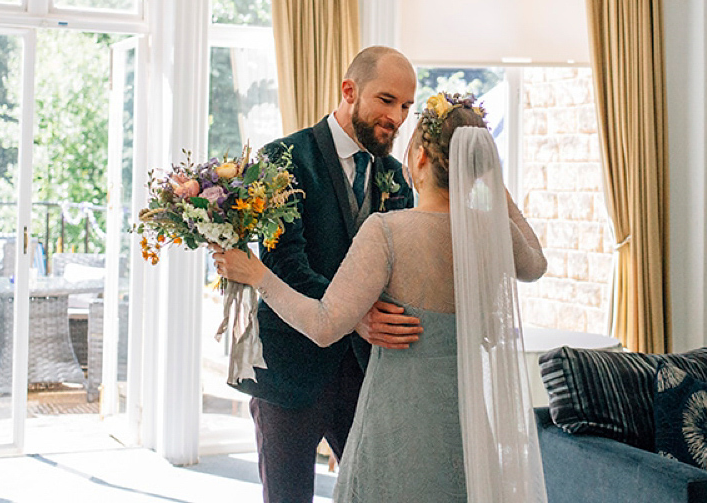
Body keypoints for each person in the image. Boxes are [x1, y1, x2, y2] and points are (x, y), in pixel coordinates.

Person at [215, 93, 549, 503]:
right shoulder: (490, 234)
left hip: (397, 419)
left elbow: (323, 325)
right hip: (464, 421)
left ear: (422, 157)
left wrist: (257, 275)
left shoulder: (387, 231)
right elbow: (536, 264)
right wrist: (494, 188)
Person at [229, 45, 424, 503]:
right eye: (386, 100)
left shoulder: (395, 176)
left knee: (371, 493)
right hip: (290, 367)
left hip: (365, 372)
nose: (396, 117)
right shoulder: (282, 159)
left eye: (406, 107)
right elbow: (287, 265)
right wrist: (354, 314)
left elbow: (399, 270)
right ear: (349, 90)